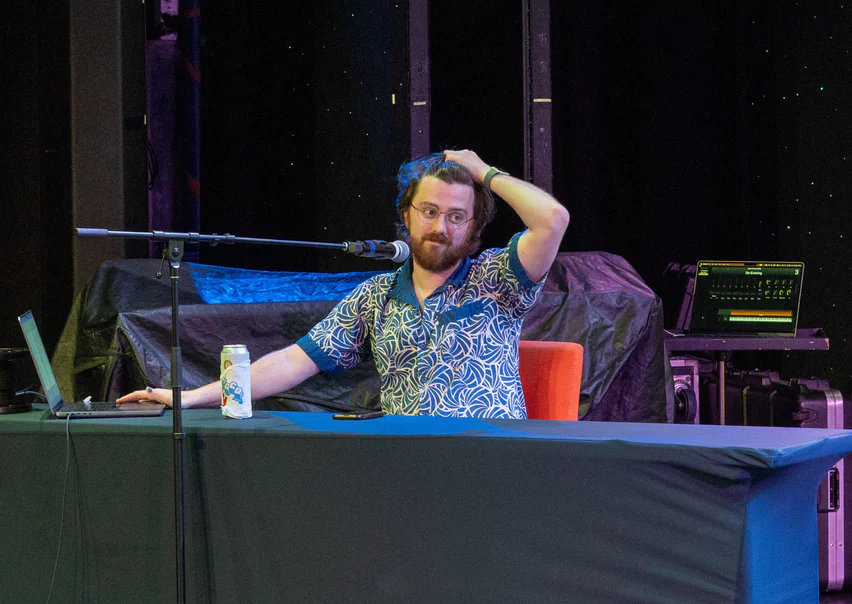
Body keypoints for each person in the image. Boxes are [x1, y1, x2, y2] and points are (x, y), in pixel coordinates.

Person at [118, 149, 569, 419]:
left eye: (456, 216)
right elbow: (292, 362)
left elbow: (552, 219)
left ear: (473, 227)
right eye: (430, 212)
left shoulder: (499, 278)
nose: (440, 227)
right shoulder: (376, 296)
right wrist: (191, 397)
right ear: (407, 215)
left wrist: (486, 172)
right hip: (410, 467)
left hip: (492, 461)